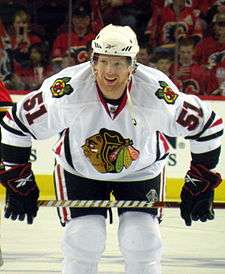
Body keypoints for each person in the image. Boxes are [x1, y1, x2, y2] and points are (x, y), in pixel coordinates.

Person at [0, 24, 223, 274]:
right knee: (84, 240)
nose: (109, 71)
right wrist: (18, 177)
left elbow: (208, 125)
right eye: (103, 61)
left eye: (118, 63)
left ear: (132, 66)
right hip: (80, 171)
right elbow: (15, 124)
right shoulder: (66, 91)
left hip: (142, 170)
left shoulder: (156, 93)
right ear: (92, 62)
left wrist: (199, 179)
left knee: (142, 241)